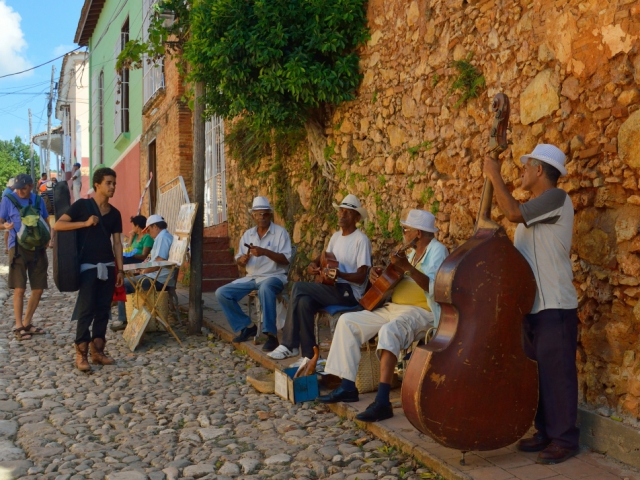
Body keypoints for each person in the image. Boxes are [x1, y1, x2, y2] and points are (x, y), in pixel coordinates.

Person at [483, 144, 579, 465]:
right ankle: (545, 432)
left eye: (527, 167)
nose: (521, 171)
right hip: (532, 307)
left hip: (556, 305)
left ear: (540, 171)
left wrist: (493, 174)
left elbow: (512, 212)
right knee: (538, 375)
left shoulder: (557, 198)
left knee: (558, 374)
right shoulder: (536, 206)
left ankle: (565, 439)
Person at [318, 210, 448, 422]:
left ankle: (382, 401)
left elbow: (435, 288)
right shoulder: (409, 253)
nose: (403, 233)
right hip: (393, 307)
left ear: (418, 233)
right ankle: (348, 386)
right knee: (348, 321)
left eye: (406, 230)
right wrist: (378, 276)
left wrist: (407, 268)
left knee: (390, 331)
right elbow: (392, 280)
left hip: (422, 312)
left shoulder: (437, 251)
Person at [269, 194, 372, 360]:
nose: (342, 214)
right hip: (332, 288)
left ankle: (289, 344)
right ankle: (310, 357)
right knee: (303, 302)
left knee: (298, 287)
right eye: (341, 211)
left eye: (348, 212)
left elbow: (361, 276)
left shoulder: (361, 240)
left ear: (357, 217)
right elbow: (324, 257)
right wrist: (313, 265)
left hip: (349, 293)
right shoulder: (335, 237)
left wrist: (341, 274)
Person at [54, 167, 124, 371]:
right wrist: (84, 223)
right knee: (86, 309)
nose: (113, 187)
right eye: (109, 183)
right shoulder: (83, 206)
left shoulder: (115, 214)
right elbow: (59, 225)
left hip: (109, 266)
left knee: (103, 310)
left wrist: (120, 270)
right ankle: (81, 354)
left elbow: (117, 243)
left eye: (114, 183)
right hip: (87, 266)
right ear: (97, 185)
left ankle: (98, 352)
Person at [215, 196, 292, 352]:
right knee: (222, 293)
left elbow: (286, 260)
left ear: (270, 215)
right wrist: (242, 260)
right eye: (258, 214)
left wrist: (264, 252)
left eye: (265, 214)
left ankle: (271, 335)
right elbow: (239, 258)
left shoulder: (280, 233)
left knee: (265, 288)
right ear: (253, 216)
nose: (262, 217)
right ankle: (247, 327)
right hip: (252, 278)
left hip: (274, 276)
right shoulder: (248, 234)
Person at [0, 174, 50, 341]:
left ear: (30, 186)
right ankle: (19, 325)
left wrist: (48, 238)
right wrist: (4, 226)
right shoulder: (8, 199)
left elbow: (45, 220)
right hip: (18, 247)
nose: (20, 191)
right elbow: (0, 221)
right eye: (17, 187)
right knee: (19, 289)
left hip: (37, 249)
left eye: (23, 187)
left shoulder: (38, 200)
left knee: (38, 288)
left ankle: (27, 322)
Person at [111, 214, 173, 331]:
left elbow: (159, 261)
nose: (148, 233)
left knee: (122, 284)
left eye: (149, 230)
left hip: (159, 279)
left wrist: (144, 271)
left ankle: (124, 319)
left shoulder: (163, 237)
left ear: (155, 227)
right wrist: (143, 270)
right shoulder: (161, 237)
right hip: (156, 276)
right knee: (125, 281)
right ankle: (129, 315)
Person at [3, 178, 15, 254]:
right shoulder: (9, 192)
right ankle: (8, 247)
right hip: (8, 214)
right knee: (8, 231)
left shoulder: (7, 191)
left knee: (8, 231)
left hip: (7, 213)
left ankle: (7, 247)